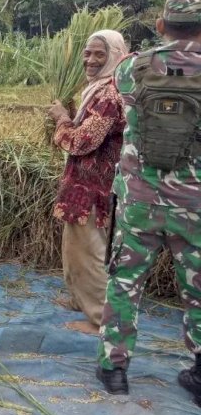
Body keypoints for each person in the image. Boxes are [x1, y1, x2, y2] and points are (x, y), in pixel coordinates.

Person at [95, 0, 201, 405]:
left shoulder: (135, 67)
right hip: (195, 205)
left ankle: (114, 369)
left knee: (124, 282)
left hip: (140, 200)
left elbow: (119, 97)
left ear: (160, 25)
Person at [47, 30, 128, 335]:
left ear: (117, 56)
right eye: (87, 53)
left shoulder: (109, 94)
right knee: (76, 247)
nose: (90, 60)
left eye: (99, 55)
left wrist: (61, 119)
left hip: (94, 189)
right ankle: (82, 300)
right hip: (85, 183)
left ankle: (100, 320)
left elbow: (83, 141)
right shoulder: (97, 88)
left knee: (89, 251)